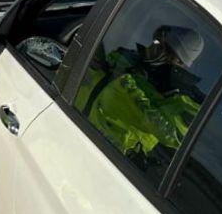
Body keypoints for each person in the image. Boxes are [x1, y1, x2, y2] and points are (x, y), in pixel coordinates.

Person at [76, 25, 205, 157]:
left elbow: (175, 136)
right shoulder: (128, 58)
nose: (154, 48)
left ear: (178, 61)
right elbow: (95, 81)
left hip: (104, 151)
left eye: (162, 47)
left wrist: (129, 87)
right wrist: (94, 65)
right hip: (73, 119)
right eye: (156, 41)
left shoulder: (175, 95)